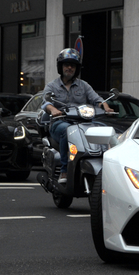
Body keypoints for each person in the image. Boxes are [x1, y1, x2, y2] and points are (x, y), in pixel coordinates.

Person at [42, 48, 113, 184]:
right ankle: (64, 170)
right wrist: (53, 110)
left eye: (73, 65)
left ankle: (107, 167)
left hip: (82, 123)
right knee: (67, 131)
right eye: (66, 65)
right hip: (60, 122)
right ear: (60, 67)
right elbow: (45, 102)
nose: (69, 67)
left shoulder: (83, 85)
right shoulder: (52, 86)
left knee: (105, 130)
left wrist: (106, 107)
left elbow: (97, 99)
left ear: (77, 68)